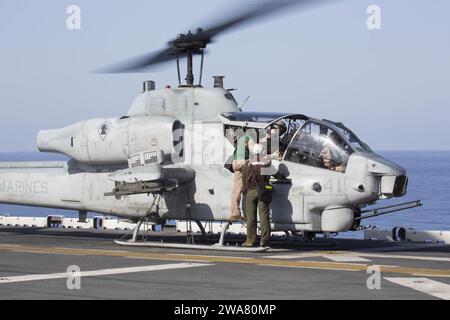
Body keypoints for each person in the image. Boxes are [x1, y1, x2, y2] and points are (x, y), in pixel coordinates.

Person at [241, 148, 273, 247]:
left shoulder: (247, 163)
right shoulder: (266, 162)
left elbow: (244, 179)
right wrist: (283, 177)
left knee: (250, 218)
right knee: (264, 217)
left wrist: (245, 191)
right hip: (263, 190)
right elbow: (275, 173)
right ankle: (264, 241)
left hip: (251, 191)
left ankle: (250, 241)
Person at [230, 129, 255, 221]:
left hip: (235, 163)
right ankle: (245, 214)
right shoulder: (249, 138)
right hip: (243, 163)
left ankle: (235, 212)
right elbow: (254, 150)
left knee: (236, 190)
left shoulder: (241, 139)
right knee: (247, 190)